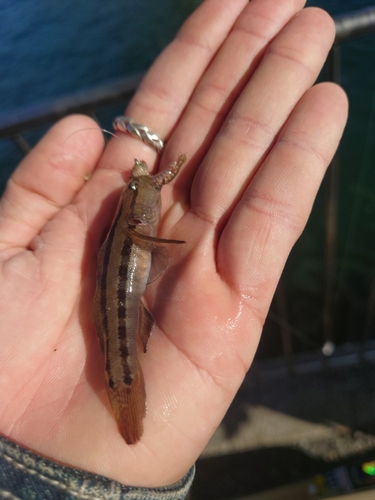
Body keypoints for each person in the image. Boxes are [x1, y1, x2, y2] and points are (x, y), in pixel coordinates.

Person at [0, 0, 348, 498]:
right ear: (139, 221)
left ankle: (122, 391)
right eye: (140, 195)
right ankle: (123, 390)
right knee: (122, 344)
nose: (147, 189)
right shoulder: (141, 222)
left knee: (123, 330)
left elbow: (148, 196)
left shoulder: (139, 220)